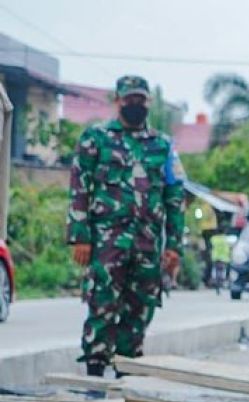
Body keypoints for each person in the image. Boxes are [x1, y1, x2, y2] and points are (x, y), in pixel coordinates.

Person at [67, 75, 184, 377]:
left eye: (140, 99)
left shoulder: (162, 146)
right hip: (107, 242)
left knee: (140, 309)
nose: (135, 104)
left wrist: (173, 246)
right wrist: (80, 237)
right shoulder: (96, 139)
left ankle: (126, 374)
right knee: (102, 305)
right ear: (117, 101)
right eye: (129, 99)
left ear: (149, 102)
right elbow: (80, 189)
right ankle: (95, 374)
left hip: (147, 244)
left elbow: (174, 197)